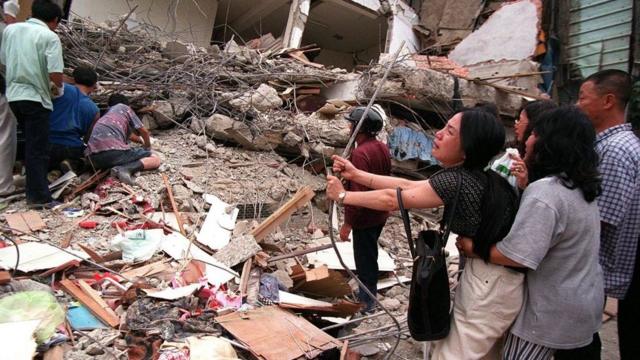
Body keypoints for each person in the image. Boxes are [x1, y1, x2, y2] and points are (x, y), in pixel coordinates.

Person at [327, 109, 521, 359]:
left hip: (491, 283)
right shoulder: (477, 176)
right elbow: (409, 186)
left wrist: (343, 195)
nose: (438, 134)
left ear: (467, 147)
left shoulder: (459, 181)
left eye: (449, 131)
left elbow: (393, 199)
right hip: (492, 280)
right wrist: (356, 175)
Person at [458, 106, 604, 359]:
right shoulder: (580, 187)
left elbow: (517, 255)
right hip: (583, 305)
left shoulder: (547, 192)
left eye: (536, 133)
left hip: (548, 313)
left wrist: (473, 248)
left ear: (550, 142)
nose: (529, 139)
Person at [577, 69, 640, 359]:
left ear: (608, 101)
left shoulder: (614, 151)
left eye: (582, 98)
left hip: (602, 269)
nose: (578, 105)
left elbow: (599, 221)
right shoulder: (615, 146)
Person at [0, 0, 64, 208]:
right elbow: (55, 73)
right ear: (54, 21)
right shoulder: (50, 36)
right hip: (36, 97)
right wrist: (58, 88)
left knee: (28, 143)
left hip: (13, 95)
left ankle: (29, 187)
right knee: (38, 148)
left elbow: (4, 60)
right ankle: (39, 197)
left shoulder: (11, 30)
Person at [339, 104, 391, 313]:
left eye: (351, 124)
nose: (348, 128)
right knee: (370, 254)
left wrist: (347, 224)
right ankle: (368, 295)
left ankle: (367, 301)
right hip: (379, 213)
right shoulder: (381, 148)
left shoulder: (360, 153)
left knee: (364, 260)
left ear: (359, 128)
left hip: (365, 217)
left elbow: (357, 195)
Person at [85, 94, 160, 185]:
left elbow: (130, 136)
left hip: (92, 159)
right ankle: (125, 169)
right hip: (113, 153)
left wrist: (140, 141)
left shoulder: (106, 117)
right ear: (127, 105)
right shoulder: (124, 107)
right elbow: (144, 131)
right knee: (155, 158)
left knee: (113, 158)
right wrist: (147, 147)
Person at [48, 66, 100, 173]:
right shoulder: (95, 110)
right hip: (71, 148)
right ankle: (70, 165)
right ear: (94, 85)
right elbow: (88, 139)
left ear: (74, 79)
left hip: (46, 142)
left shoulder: (61, 90)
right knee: (84, 160)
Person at [0, 0, 18, 196]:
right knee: (5, 135)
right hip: (2, 87)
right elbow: (9, 59)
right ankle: (4, 186)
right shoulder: (5, 31)